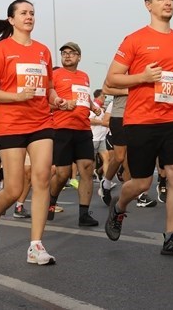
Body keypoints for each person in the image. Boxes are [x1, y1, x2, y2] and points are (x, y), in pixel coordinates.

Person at [104, 0, 173, 256]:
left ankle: (171, 237)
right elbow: (112, 78)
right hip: (141, 120)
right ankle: (119, 207)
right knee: (142, 183)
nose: (168, 2)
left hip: (172, 118)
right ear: (149, 5)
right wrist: (142, 77)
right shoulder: (134, 39)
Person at [0, 0, 67, 265]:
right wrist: (15, 96)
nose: (29, 16)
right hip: (12, 124)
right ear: (12, 20)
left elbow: (47, 89)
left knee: (41, 178)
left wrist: (57, 100)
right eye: (24, 13)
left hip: (41, 122)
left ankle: (36, 246)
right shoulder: (2, 50)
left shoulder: (42, 51)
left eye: (32, 13)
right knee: (15, 189)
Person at [47, 41, 102, 227]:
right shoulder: (54, 75)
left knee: (87, 169)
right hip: (62, 128)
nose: (67, 56)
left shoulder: (85, 76)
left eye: (72, 53)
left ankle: (84, 214)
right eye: (64, 53)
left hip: (83, 129)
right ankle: (51, 201)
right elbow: (45, 104)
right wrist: (61, 104)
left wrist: (92, 106)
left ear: (79, 57)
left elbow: (83, 97)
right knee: (62, 174)